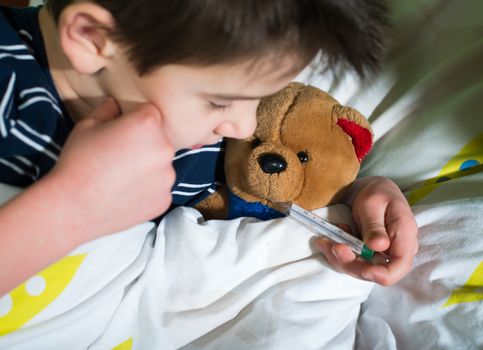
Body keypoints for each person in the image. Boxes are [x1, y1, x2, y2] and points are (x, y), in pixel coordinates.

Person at [0, 0, 417, 297]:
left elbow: (263, 189)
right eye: (220, 100)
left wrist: (355, 195)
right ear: (93, 38)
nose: (243, 125)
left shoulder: (202, 138)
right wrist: (75, 207)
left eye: (260, 99)